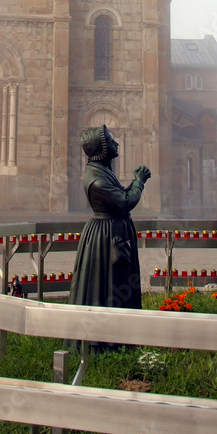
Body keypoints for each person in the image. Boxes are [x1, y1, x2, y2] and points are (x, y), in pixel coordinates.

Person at [68, 125, 151, 310]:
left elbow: (120, 195)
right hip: (105, 237)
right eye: (111, 141)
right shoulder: (96, 179)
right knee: (108, 284)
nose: (116, 143)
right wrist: (139, 182)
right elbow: (124, 201)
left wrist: (134, 183)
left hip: (112, 232)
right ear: (102, 147)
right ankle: (104, 337)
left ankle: (119, 334)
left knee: (117, 281)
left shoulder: (102, 171)